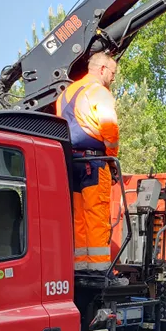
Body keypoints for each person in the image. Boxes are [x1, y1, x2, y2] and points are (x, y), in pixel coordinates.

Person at [56, 51, 125, 283]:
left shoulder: (65, 95)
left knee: (78, 217)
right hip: (94, 162)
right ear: (102, 69)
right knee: (97, 214)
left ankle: (80, 268)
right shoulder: (99, 92)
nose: (113, 78)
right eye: (113, 73)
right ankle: (99, 271)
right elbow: (110, 128)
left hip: (71, 162)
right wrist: (111, 158)